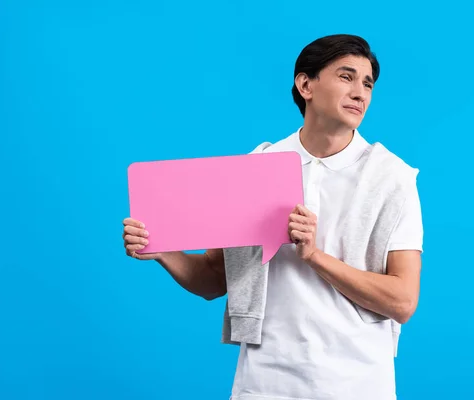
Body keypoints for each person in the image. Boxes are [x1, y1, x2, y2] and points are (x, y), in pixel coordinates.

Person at [122, 34, 423, 400]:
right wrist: (162, 252)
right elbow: (215, 279)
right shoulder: (257, 167)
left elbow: (403, 301)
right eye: (346, 77)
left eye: (367, 83)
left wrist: (315, 257)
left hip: (358, 384)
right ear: (306, 84)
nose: (360, 92)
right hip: (265, 383)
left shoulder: (391, 178)